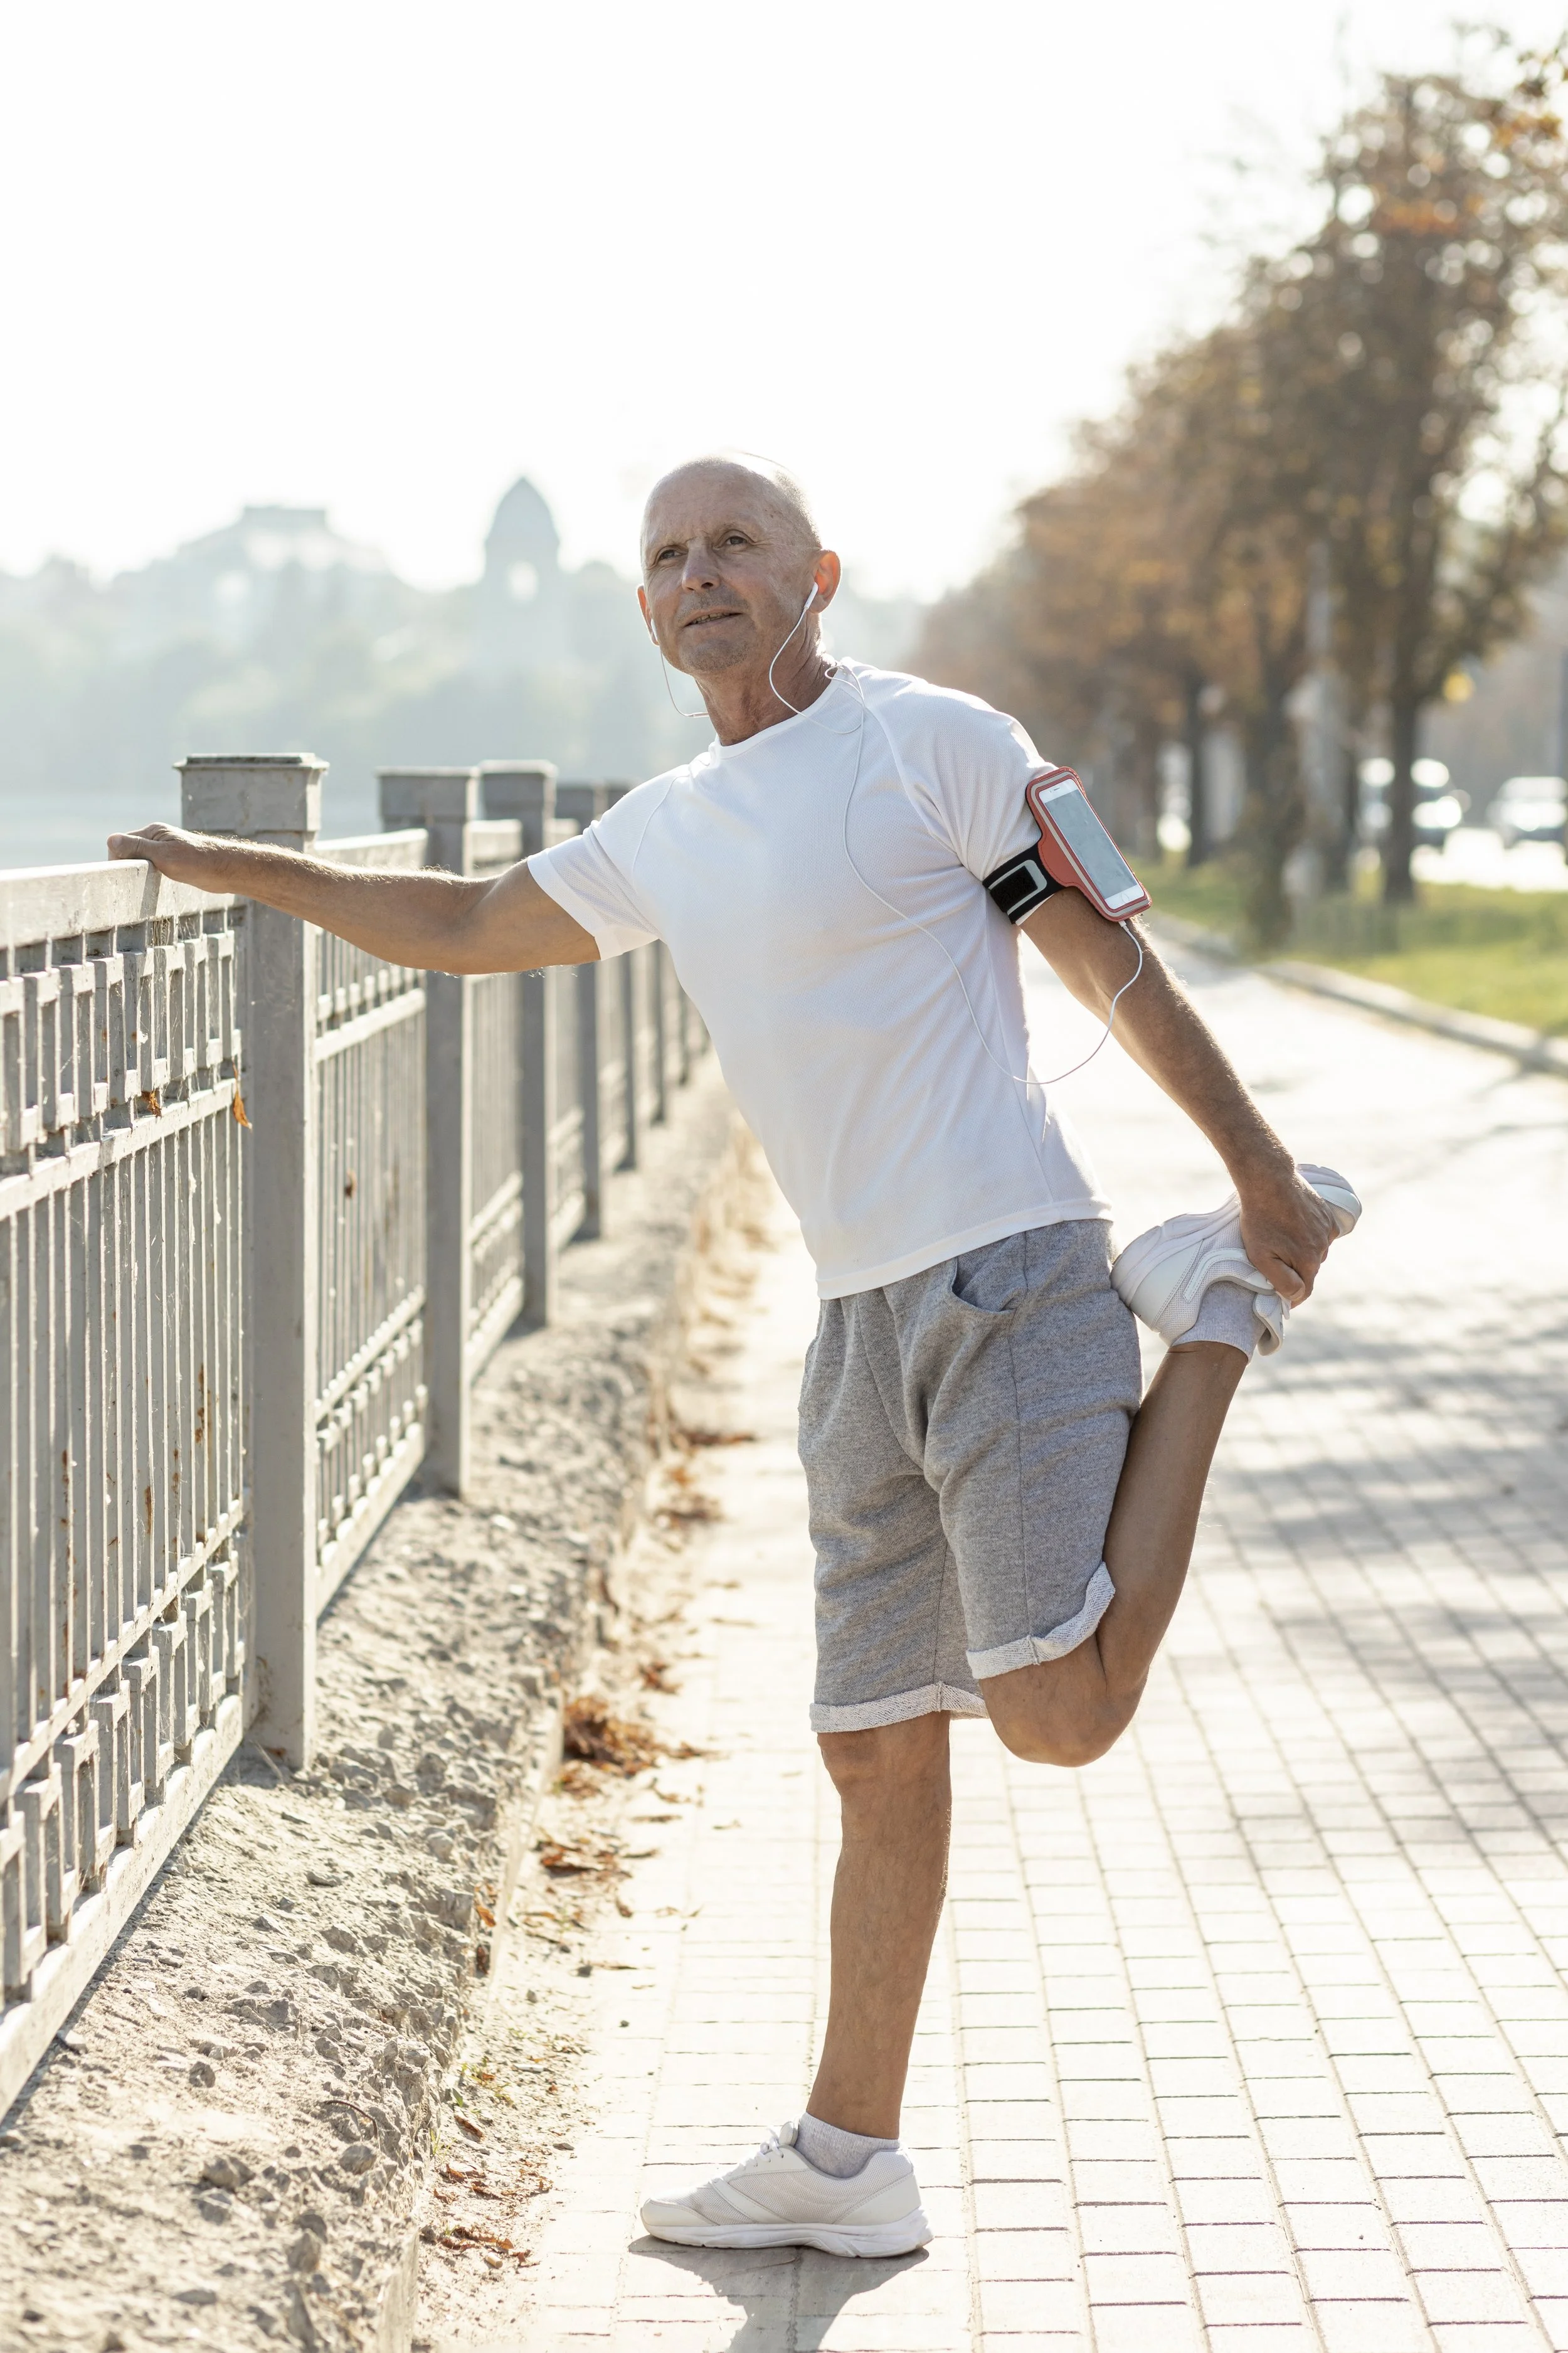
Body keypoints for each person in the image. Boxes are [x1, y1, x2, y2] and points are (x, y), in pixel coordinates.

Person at [110, 457, 1357, 2261]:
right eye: (670, 555)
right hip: (852, 1321)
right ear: (643, 611)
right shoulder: (670, 827)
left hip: (1011, 1271)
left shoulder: (931, 740)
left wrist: (1250, 1178)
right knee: (871, 1750)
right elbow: (465, 928)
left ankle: (1204, 1316)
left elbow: (1109, 962)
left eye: (736, 544)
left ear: (816, 576)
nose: (702, 573)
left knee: (1060, 1714)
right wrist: (236, 863)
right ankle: (846, 2161)